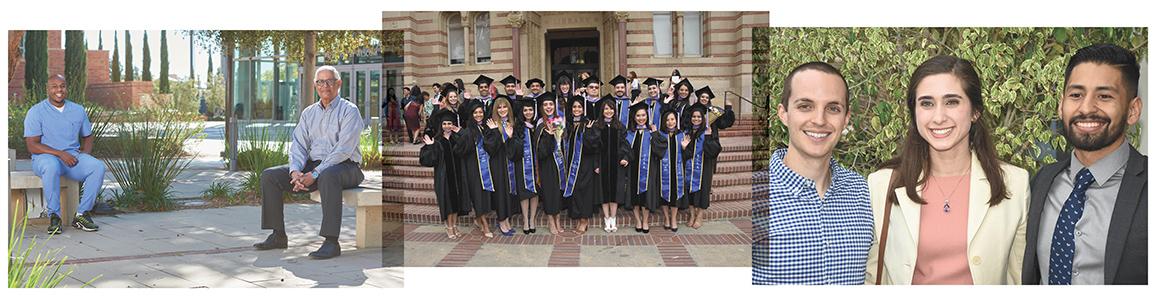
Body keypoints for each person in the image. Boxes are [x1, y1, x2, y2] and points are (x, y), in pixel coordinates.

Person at [865, 55, 1029, 285]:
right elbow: (872, 277)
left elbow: (1018, 278)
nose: (939, 117)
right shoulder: (881, 184)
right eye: (927, 103)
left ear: (975, 111)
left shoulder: (1015, 184)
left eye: (951, 102)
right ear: (914, 112)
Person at [1023, 44, 1147, 285]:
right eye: (1076, 95)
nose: (1087, 108)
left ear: (1132, 111)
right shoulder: (1042, 181)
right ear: (1061, 105)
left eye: (1104, 96)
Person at [752, 62, 871, 285]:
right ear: (784, 114)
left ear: (846, 119)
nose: (819, 120)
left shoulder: (862, 191)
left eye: (833, 108)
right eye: (805, 106)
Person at [254, 66, 366, 260]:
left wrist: (315, 174)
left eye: (330, 81)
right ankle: (278, 235)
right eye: (320, 82)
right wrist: (295, 172)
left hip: (347, 167)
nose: (325, 86)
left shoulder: (350, 111)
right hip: (315, 166)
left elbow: (343, 150)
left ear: (338, 84)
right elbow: (299, 145)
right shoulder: (309, 113)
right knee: (270, 176)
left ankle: (331, 242)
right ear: (315, 85)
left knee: (328, 175)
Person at [23, 74, 105, 234]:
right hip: (44, 158)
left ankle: (82, 215)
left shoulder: (78, 110)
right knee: (51, 166)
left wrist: (85, 155)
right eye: (54, 86)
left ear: (66, 88)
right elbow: (32, 145)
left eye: (62, 86)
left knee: (97, 167)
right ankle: (54, 216)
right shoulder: (36, 112)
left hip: (71, 158)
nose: (59, 90)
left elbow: (88, 136)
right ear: (47, 89)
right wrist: (60, 154)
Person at [420, 108, 468, 239]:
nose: (447, 126)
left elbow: (466, 147)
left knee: (456, 202)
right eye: (445, 124)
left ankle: (454, 225)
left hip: (457, 175)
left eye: (449, 123)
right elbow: (428, 161)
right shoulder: (437, 141)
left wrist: (461, 133)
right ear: (441, 125)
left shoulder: (456, 138)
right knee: (448, 203)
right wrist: (430, 146)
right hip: (444, 178)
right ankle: (448, 226)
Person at [622, 101, 665, 233]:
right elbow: (624, 150)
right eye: (638, 116)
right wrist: (624, 158)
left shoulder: (652, 133)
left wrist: (656, 134)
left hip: (648, 169)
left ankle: (645, 221)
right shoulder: (629, 133)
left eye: (643, 115)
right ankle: (638, 220)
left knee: (646, 196)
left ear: (647, 116)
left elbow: (660, 151)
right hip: (633, 169)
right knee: (634, 196)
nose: (641, 118)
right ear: (634, 118)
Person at [455, 99, 496, 238]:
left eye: (480, 112)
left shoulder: (485, 128)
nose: (479, 115)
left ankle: (478, 219)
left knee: (484, 195)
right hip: (473, 168)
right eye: (476, 113)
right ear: (471, 115)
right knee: (477, 196)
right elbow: (459, 150)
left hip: (486, 168)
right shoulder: (468, 131)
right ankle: (484, 225)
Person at [561, 95, 601, 234]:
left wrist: (589, 133)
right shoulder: (569, 124)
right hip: (572, 165)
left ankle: (584, 220)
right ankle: (578, 218)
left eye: (579, 107)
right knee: (576, 191)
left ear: (583, 109)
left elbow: (593, 147)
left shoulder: (589, 124)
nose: (577, 109)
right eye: (574, 107)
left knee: (585, 192)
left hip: (586, 164)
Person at [483, 95, 520, 237]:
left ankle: (507, 221)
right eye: (499, 107)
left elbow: (516, 147)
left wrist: (510, 137)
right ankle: (501, 221)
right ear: (495, 109)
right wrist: (494, 132)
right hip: (497, 164)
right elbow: (491, 148)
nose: (502, 109)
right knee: (500, 193)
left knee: (508, 192)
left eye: (505, 107)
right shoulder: (491, 124)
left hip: (509, 162)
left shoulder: (512, 122)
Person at [681, 102, 722, 229]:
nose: (696, 119)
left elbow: (714, 151)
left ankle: (700, 216)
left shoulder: (708, 131)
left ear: (703, 118)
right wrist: (684, 147)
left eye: (699, 117)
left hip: (704, 167)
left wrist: (709, 138)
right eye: (694, 117)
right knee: (689, 192)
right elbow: (687, 154)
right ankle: (692, 215)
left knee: (703, 191)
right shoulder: (687, 132)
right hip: (689, 168)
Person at [533, 92, 566, 234]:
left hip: (559, 164)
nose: (548, 107)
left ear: (555, 106)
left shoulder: (560, 122)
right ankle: (551, 221)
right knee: (549, 193)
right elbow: (540, 153)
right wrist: (549, 136)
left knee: (558, 193)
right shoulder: (540, 125)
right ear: (542, 107)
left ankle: (558, 220)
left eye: (551, 104)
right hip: (547, 165)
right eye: (545, 104)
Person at [594, 94, 626, 232]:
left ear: (614, 110)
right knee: (604, 192)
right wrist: (596, 164)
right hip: (602, 164)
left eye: (611, 109)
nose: (609, 111)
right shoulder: (597, 126)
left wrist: (625, 157)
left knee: (614, 192)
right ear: (602, 110)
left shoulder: (619, 126)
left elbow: (625, 144)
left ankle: (613, 217)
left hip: (616, 164)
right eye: (606, 109)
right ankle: (606, 218)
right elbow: (594, 147)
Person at [511, 97, 540, 234]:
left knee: (535, 192)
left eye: (530, 110)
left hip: (536, 165)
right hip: (522, 164)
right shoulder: (518, 127)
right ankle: (525, 220)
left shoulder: (537, 126)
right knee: (524, 192)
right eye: (526, 110)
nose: (528, 112)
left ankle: (532, 219)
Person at [656, 109, 687, 232]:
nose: (670, 122)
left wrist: (685, 148)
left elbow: (687, 155)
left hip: (677, 169)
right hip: (664, 170)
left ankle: (673, 218)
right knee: (664, 194)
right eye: (667, 120)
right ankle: (666, 218)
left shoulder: (682, 135)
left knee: (675, 194)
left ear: (676, 120)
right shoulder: (660, 134)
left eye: (672, 119)